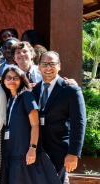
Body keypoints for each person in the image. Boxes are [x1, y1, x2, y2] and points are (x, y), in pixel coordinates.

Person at [0, 67, 61, 184]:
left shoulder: (27, 96)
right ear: (3, 80)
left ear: (22, 80)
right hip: (10, 151)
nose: (11, 80)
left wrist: (32, 149)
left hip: (24, 152)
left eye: (15, 78)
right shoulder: (7, 99)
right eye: (8, 78)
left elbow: (35, 125)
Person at [33, 52, 86, 183]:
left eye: (52, 64)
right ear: (39, 67)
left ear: (59, 66)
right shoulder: (34, 90)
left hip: (60, 151)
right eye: (45, 64)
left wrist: (73, 153)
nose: (48, 67)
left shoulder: (71, 90)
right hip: (37, 150)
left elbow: (78, 123)